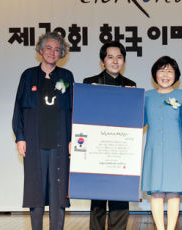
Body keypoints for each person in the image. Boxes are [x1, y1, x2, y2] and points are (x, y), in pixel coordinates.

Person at [12, 32, 74, 230]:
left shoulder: (66, 76)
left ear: (61, 53)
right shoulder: (28, 75)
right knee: (35, 191)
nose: (52, 52)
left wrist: (73, 139)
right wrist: (20, 137)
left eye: (57, 49)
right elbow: (18, 109)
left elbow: (74, 110)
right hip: (34, 141)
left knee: (59, 192)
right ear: (40, 50)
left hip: (60, 143)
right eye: (48, 48)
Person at [83, 41, 136, 230]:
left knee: (120, 196)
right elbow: (84, 114)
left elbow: (132, 119)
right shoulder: (90, 83)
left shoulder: (130, 86)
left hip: (120, 149)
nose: (115, 61)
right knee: (98, 199)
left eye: (119, 57)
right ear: (102, 60)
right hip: (99, 148)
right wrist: (92, 95)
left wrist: (133, 101)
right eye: (110, 57)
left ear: (124, 61)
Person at [141, 56, 182, 230]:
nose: (165, 75)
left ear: (176, 75)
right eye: (161, 70)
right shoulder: (146, 96)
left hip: (175, 150)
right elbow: (138, 122)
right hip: (154, 150)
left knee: (174, 192)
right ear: (155, 75)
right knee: (157, 192)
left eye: (169, 71)